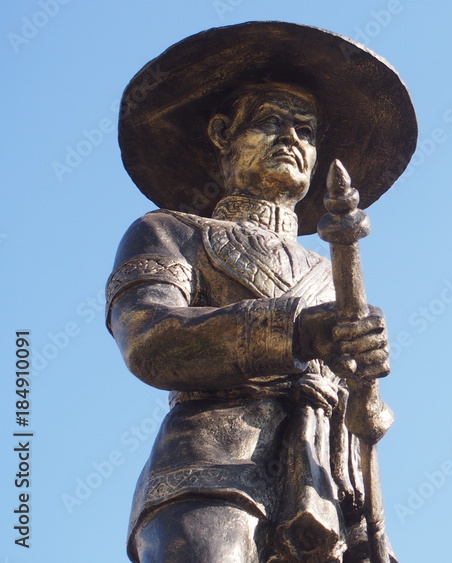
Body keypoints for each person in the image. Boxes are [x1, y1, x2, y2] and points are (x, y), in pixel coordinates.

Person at [106, 22, 417, 563]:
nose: (292, 139)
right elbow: (148, 340)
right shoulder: (170, 232)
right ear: (224, 132)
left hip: (325, 499)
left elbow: (355, 416)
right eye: (271, 121)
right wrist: (297, 330)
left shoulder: (329, 271)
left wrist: (369, 526)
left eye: (307, 129)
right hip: (212, 479)